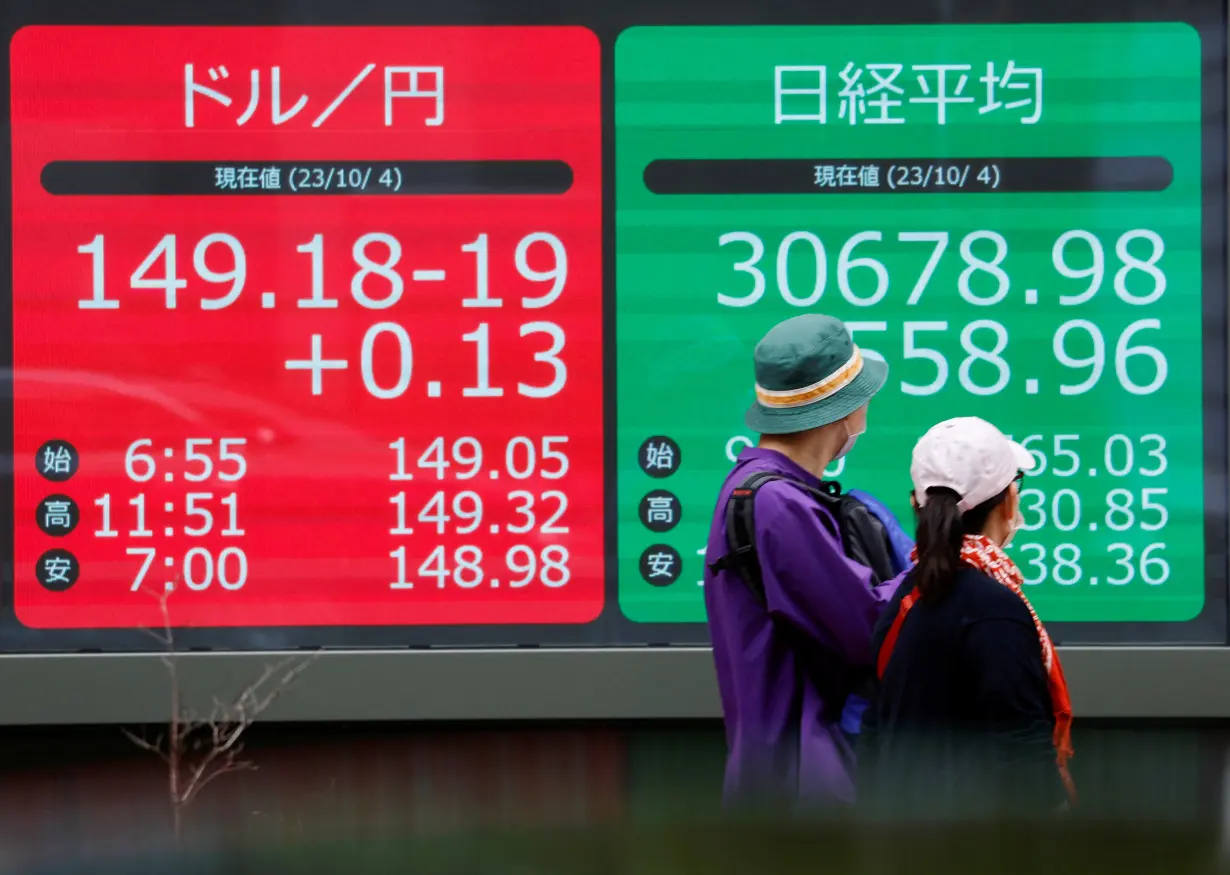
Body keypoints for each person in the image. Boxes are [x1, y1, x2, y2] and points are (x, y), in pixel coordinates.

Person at [703, 313, 909, 808]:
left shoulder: (756, 490)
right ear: (844, 412)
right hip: (805, 786)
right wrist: (941, 562)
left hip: (777, 774)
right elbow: (867, 626)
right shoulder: (781, 505)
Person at [859, 416, 1076, 818]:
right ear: (1010, 500)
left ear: (915, 503)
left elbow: (874, 729)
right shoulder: (995, 609)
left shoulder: (907, 595)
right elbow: (1021, 744)